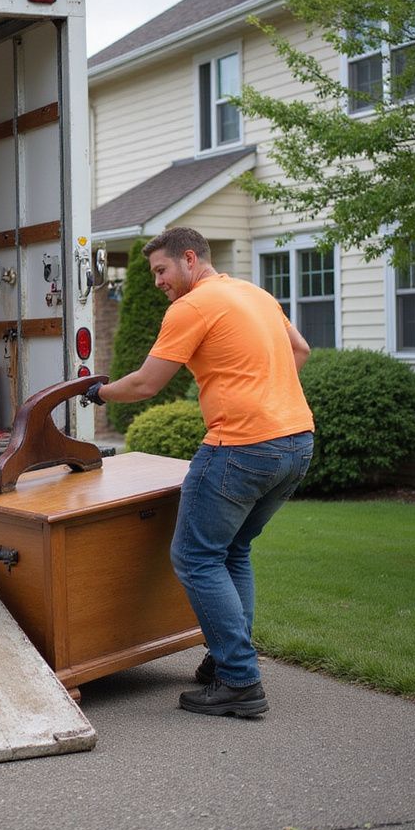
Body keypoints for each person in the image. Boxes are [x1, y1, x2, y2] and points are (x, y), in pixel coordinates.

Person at [86, 227, 313, 717]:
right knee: (233, 549)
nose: (158, 282)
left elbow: (147, 384)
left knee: (194, 556)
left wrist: (97, 392)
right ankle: (226, 660)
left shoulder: (192, 307)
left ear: (190, 259)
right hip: (296, 440)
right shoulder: (254, 293)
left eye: (161, 270)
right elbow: (301, 352)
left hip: (242, 447)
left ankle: (238, 680)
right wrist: (263, 389)